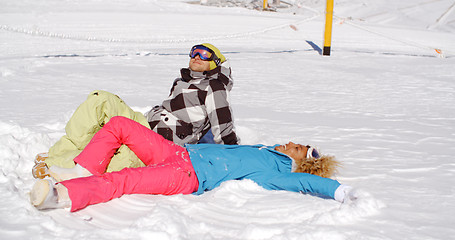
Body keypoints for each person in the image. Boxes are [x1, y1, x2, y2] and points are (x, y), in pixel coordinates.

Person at [30, 116, 356, 212]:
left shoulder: (276, 173)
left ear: (302, 163)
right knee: (119, 124)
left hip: (186, 175)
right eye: (295, 142)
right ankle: (83, 171)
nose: (290, 143)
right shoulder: (265, 151)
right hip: (179, 154)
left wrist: (340, 191)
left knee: (125, 179)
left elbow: (306, 184)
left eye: (296, 148)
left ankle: (61, 196)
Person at [33, 43, 240, 178]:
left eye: (204, 54)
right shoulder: (181, 82)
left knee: (119, 157)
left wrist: (236, 155)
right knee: (101, 99)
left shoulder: (215, 87)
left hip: (160, 143)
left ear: (215, 63)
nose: (197, 56)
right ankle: (60, 152)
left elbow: (222, 125)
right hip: (143, 124)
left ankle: (57, 164)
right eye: (194, 52)